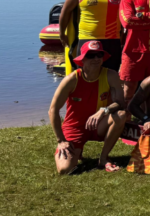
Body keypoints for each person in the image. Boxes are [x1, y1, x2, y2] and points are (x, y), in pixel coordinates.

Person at [49, 41, 128, 174]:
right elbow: (53, 110)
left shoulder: (111, 75)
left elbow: (120, 103)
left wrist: (104, 111)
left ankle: (103, 158)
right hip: (74, 127)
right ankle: (76, 151)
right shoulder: (72, 79)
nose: (96, 59)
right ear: (82, 59)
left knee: (121, 115)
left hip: (99, 124)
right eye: (91, 55)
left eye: (99, 55)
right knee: (64, 170)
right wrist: (61, 140)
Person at [58, 0, 129, 74]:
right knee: (86, 75)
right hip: (87, 38)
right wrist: (62, 33)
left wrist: (125, 36)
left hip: (112, 40)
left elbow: (129, 15)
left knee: (110, 75)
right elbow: (65, 12)